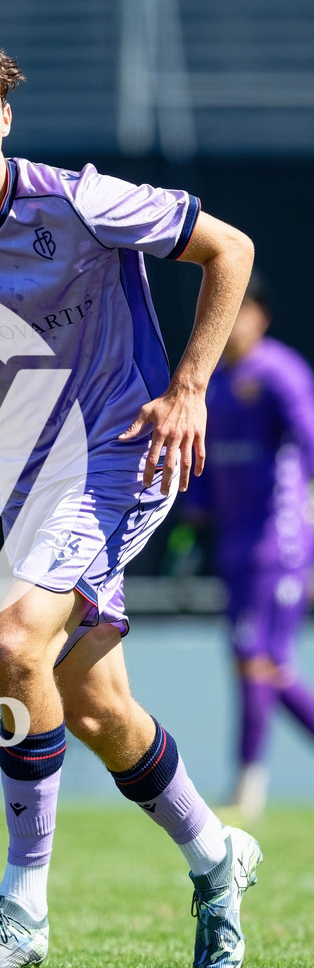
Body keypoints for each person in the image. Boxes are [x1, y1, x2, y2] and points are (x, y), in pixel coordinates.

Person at [0, 28, 259, 968]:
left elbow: (227, 249)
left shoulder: (77, 199)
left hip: (119, 454)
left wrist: (188, 386)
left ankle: (20, 911)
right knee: (93, 708)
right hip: (31, 479)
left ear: (6, 117)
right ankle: (214, 860)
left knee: (12, 643)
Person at [181, 271, 314, 821]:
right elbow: (205, 470)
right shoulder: (212, 385)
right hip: (235, 547)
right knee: (259, 663)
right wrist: (193, 515)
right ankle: (247, 785)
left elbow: (308, 447)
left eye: (237, 311)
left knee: (258, 660)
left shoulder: (279, 372)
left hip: (276, 540)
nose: (227, 324)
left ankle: (247, 788)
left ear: (259, 315)